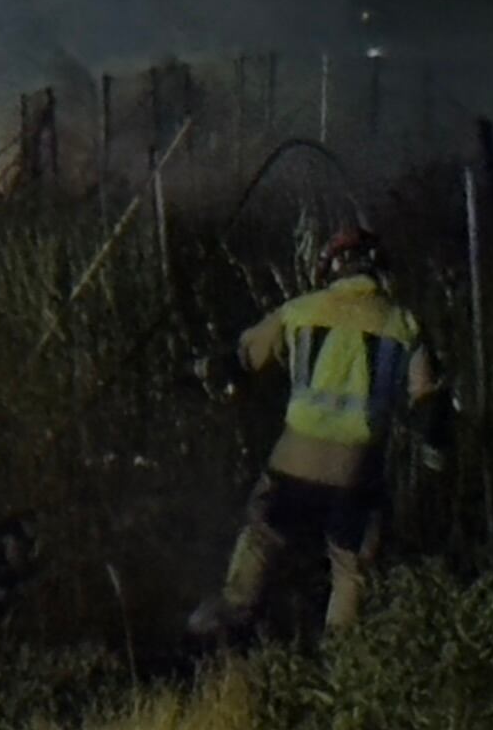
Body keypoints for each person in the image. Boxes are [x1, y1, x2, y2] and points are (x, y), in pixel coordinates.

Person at [189, 224, 441, 642]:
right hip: (357, 471)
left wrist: (198, 370)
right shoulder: (405, 324)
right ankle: (342, 668)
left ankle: (221, 631)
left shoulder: (300, 311)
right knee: (351, 570)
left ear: (330, 269)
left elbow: (239, 360)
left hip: (293, 462)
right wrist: (437, 459)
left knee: (261, 538)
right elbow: (428, 404)